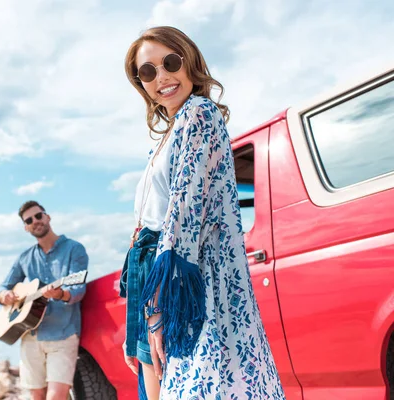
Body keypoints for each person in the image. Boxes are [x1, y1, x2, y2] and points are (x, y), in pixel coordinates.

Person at [120, 26, 286, 399]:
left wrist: (161, 302)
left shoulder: (198, 113)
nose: (161, 77)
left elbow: (185, 209)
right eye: (147, 72)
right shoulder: (170, 130)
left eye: (170, 63)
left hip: (181, 272)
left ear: (189, 61)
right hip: (153, 265)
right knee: (160, 383)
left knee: (191, 383)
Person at [0, 200, 88, 400]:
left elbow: (78, 288)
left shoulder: (74, 249)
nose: (35, 221)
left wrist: (61, 294)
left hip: (63, 334)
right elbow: (2, 287)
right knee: (37, 395)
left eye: (39, 215)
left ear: (47, 217)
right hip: (31, 335)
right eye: (29, 220)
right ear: (26, 227)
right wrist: (5, 295)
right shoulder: (25, 258)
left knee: (55, 397)